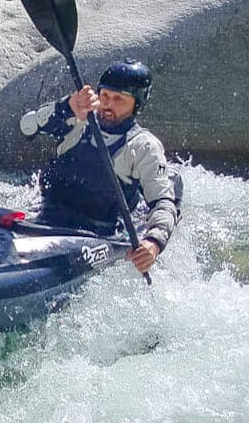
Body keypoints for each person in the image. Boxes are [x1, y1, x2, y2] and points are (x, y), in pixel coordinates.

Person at [18, 59, 182, 274]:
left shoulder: (144, 147)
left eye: (118, 99)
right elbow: (26, 127)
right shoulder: (77, 120)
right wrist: (66, 106)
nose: (108, 105)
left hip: (98, 234)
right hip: (47, 220)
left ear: (136, 104)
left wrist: (154, 241)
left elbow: (163, 203)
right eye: (104, 95)